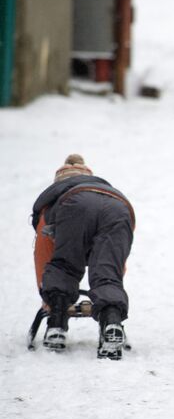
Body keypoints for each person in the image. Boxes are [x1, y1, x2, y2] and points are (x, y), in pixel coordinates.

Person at [32, 154, 135, 360]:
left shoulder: (56, 199)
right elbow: (117, 262)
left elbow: (43, 256)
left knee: (64, 265)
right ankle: (111, 324)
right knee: (108, 273)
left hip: (76, 208)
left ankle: (57, 326)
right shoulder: (107, 191)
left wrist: (49, 296)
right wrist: (112, 278)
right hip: (120, 208)